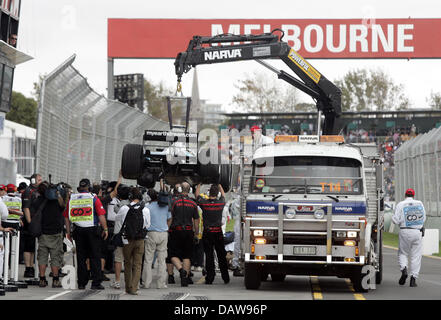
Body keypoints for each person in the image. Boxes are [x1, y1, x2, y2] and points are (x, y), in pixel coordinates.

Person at [64, 178, 108, 290]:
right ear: (89, 187)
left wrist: (68, 232)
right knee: (95, 256)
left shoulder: (72, 199)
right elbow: (101, 215)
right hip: (92, 231)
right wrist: (105, 229)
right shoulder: (93, 198)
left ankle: (81, 283)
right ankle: (96, 283)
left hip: (78, 231)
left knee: (81, 257)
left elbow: (66, 217)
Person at [117, 187, 150, 295]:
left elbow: (119, 221)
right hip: (140, 239)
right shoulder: (145, 209)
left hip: (127, 239)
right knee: (138, 264)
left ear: (130, 197)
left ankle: (128, 287)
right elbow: (147, 225)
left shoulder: (124, 208)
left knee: (127, 263)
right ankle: (135, 288)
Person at [196, 183, 230, 285]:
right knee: (221, 255)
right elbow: (224, 196)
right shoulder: (220, 203)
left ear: (209, 193)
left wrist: (199, 185)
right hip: (218, 232)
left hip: (207, 232)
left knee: (209, 256)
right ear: (217, 193)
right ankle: (225, 277)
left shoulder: (204, 203)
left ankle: (210, 278)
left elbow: (197, 196)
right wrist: (220, 185)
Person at [392, 188, 426, 287]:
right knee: (416, 256)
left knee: (403, 253)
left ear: (405, 195)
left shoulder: (400, 204)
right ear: (413, 195)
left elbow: (396, 220)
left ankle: (404, 270)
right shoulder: (419, 203)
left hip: (405, 231)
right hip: (417, 232)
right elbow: (424, 218)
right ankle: (413, 279)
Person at [35, 181, 65, 288]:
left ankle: (42, 279)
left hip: (43, 233)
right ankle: (56, 280)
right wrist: (57, 193)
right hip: (56, 233)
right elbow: (63, 205)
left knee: (42, 257)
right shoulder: (56, 201)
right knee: (55, 257)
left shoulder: (39, 201)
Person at [169, 182, 199, 287]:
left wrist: (167, 228)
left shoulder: (174, 202)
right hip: (189, 231)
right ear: (190, 190)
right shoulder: (193, 203)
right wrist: (196, 233)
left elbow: (170, 217)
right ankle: (184, 279)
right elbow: (196, 220)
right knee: (187, 256)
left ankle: (181, 270)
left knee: (172, 255)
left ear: (180, 190)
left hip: (176, 231)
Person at [142, 183, 172, 289]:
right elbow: (169, 218)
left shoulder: (147, 207)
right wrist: (166, 228)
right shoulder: (165, 207)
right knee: (162, 260)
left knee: (148, 259)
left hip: (151, 233)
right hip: (163, 233)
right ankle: (161, 283)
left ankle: (146, 283)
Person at [21, 173, 43, 278]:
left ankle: (31, 266)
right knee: (28, 247)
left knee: (33, 247)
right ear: (33, 181)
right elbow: (26, 208)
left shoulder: (38, 191)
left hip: (36, 223)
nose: (40, 181)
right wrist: (30, 222)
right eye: (39, 180)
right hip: (30, 223)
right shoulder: (28, 192)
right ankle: (28, 267)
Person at [110, 183, 131, 290]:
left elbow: (115, 210)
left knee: (118, 259)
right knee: (130, 259)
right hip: (131, 235)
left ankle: (117, 281)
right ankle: (130, 280)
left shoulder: (119, 206)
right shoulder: (133, 204)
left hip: (120, 235)